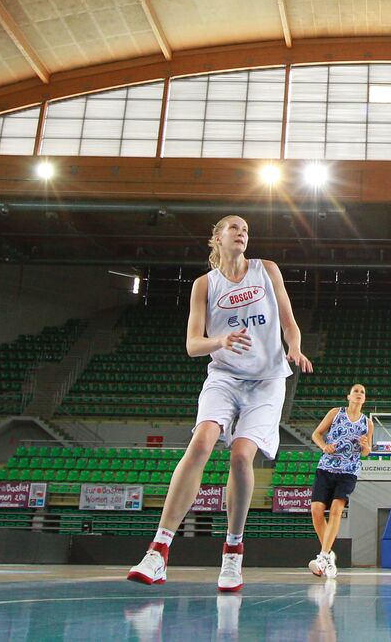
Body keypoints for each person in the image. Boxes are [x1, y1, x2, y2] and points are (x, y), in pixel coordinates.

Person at [128, 215, 312, 590]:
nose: (242, 232)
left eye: (246, 228)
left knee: (242, 455)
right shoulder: (203, 285)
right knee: (200, 443)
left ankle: (232, 552)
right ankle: (158, 551)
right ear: (217, 238)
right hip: (225, 376)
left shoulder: (267, 270)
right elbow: (193, 345)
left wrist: (293, 347)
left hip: (267, 380)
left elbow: (290, 323)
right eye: (234, 228)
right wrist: (221, 340)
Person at [308, 383, 372, 578]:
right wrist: (324, 446)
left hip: (349, 470)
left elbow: (367, 452)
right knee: (316, 511)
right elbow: (316, 434)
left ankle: (324, 555)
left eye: (362, 392)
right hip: (326, 467)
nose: (359, 394)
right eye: (356, 391)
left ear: (364, 399)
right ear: (349, 396)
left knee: (336, 509)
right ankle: (328, 555)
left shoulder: (367, 423)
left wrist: (365, 445)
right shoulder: (336, 413)